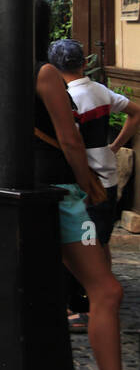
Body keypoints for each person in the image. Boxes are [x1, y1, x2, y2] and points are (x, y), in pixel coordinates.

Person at [32, 3, 126, 370]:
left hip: (24, 190)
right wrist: (90, 183)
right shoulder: (45, 72)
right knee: (106, 290)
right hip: (62, 191)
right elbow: (70, 140)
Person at [49, 38, 140, 325]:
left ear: (52, 67)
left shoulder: (66, 98)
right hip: (107, 177)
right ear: (84, 63)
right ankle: (99, 297)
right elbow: (136, 112)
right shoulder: (99, 90)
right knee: (100, 238)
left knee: (79, 241)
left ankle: (83, 302)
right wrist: (115, 146)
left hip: (83, 180)